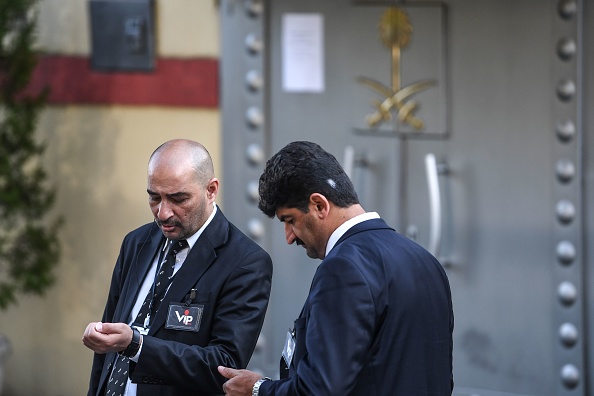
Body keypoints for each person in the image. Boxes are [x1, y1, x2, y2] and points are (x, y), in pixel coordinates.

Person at [218, 141, 453, 395]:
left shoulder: (343, 268)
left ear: (319, 205)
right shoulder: (425, 260)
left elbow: (319, 389)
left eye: (290, 220)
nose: (289, 237)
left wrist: (258, 389)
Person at [82, 139, 273, 396]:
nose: (162, 213)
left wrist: (137, 346)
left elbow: (224, 365)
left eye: (178, 198)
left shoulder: (245, 262)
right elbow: (105, 351)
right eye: (154, 197)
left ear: (211, 190)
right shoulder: (136, 242)